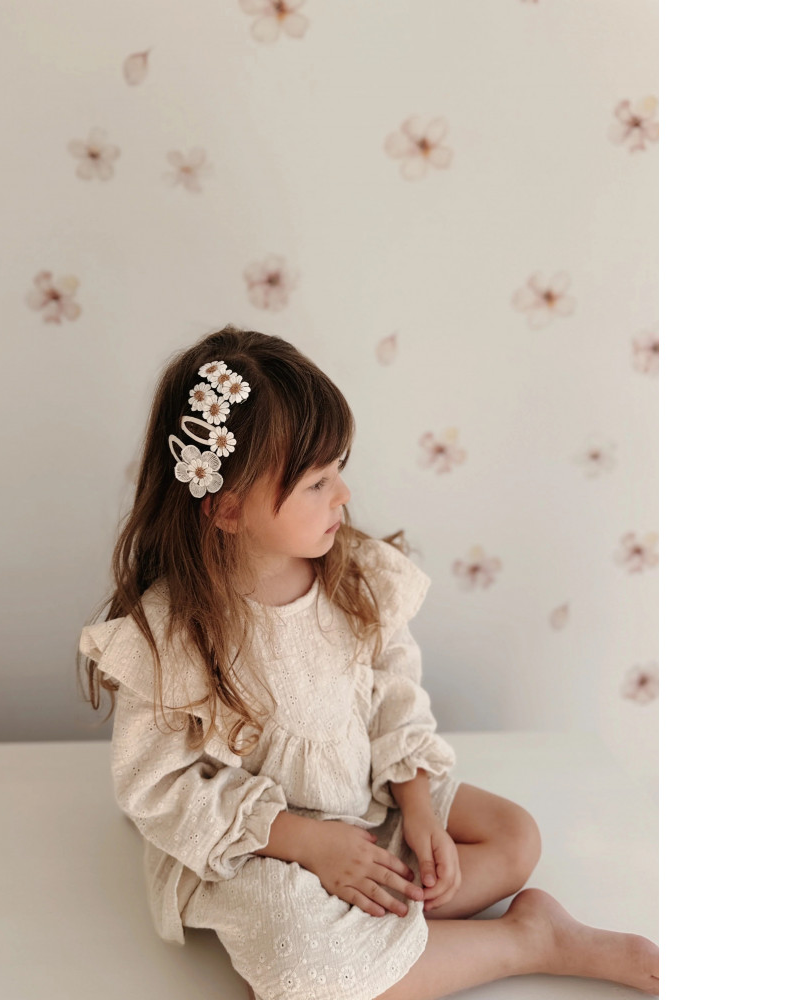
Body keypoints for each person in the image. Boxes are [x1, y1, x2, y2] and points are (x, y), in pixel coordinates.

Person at [78, 325, 659, 1000]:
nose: (344, 495)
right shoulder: (173, 633)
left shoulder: (352, 576)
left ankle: (361, 941)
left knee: (515, 837)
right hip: (261, 846)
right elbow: (158, 787)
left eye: (339, 469)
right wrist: (309, 845)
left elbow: (393, 693)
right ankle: (528, 940)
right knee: (299, 967)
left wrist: (418, 806)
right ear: (228, 508)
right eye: (317, 482)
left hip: (367, 797)